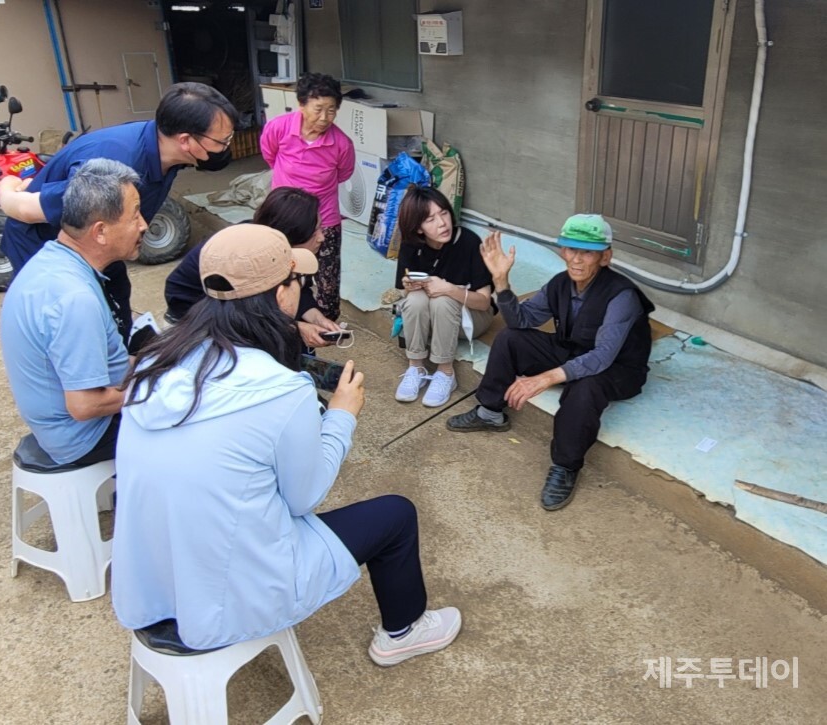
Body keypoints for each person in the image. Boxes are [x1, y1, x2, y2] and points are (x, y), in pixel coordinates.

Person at [112, 224, 461, 666]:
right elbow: (304, 498)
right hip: (235, 591)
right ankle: (403, 631)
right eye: (298, 281)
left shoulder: (157, 362)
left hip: (154, 583)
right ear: (281, 295)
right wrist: (341, 415)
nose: (302, 289)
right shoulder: (281, 390)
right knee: (395, 514)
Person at [446, 214, 655, 511]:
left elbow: (602, 356)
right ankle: (490, 412)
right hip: (572, 350)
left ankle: (566, 466)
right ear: (562, 251)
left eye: (587, 252)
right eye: (570, 249)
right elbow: (521, 320)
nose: (576, 259)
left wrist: (545, 378)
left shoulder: (622, 296)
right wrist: (501, 282)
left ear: (605, 257)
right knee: (509, 339)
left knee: (585, 387)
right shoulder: (560, 283)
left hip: (618, 368)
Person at [0, 82, 239, 339]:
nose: (226, 147)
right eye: (222, 140)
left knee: (116, 298)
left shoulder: (164, 150)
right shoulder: (115, 165)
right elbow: (25, 209)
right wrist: (7, 188)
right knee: (75, 326)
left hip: (103, 244)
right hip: (45, 243)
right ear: (186, 141)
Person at [0, 159, 147, 465]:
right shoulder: (74, 299)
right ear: (101, 232)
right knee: (204, 418)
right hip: (84, 436)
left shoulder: (53, 262)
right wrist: (156, 389)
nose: (144, 224)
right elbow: (85, 405)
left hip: (62, 426)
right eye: (135, 216)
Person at [163, 186, 343, 348]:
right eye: (314, 233)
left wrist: (315, 317)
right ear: (290, 237)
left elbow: (299, 288)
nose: (321, 238)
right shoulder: (245, 258)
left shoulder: (287, 251)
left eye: (321, 228)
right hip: (196, 323)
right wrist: (295, 328)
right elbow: (243, 315)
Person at [260, 72, 355, 322]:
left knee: (327, 279)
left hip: (324, 219)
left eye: (332, 110)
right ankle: (281, 319)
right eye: (318, 109)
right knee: (282, 269)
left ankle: (325, 326)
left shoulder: (341, 144)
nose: (324, 118)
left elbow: (343, 174)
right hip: (285, 217)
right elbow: (269, 156)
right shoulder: (278, 128)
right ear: (301, 104)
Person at [394, 186, 496, 407]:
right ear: (418, 228)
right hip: (434, 318)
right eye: (430, 219)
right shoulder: (411, 245)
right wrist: (407, 286)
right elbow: (404, 292)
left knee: (443, 298)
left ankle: (446, 373)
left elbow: (484, 301)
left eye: (444, 213)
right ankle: (416, 367)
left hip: (474, 316)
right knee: (414, 298)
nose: (442, 223)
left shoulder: (468, 242)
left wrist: (448, 289)